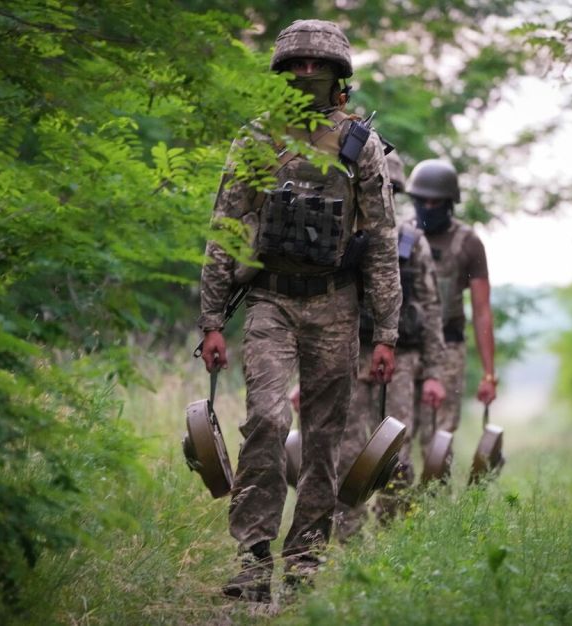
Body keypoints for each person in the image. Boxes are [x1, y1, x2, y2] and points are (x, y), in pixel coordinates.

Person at [197, 19, 401, 603]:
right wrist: (211, 320)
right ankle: (254, 557)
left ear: (338, 72)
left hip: (336, 305)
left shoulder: (361, 145)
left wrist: (384, 331)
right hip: (270, 301)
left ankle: (307, 558)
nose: (308, 72)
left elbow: (383, 243)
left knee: (325, 437)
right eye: (298, 63)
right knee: (265, 418)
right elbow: (225, 229)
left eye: (319, 63)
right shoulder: (257, 138)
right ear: (283, 71)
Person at [335, 150, 446, 539]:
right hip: (350, 354)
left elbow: (431, 311)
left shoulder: (412, 242)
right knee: (346, 451)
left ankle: (391, 538)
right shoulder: (342, 233)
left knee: (395, 455)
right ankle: (346, 538)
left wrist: (433, 373)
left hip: (401, 361)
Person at [406, 159, 498, 457]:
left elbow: (482, 310)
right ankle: (394, 503)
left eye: (436, 202)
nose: (428, 207)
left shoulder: (468, 243)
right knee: (398, 432)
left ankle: (434, 501)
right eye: (422, 201)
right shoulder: (400, 235)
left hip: (449, 346)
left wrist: (488, 374)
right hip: (405, 345)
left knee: (439, 436)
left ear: (449, 203)